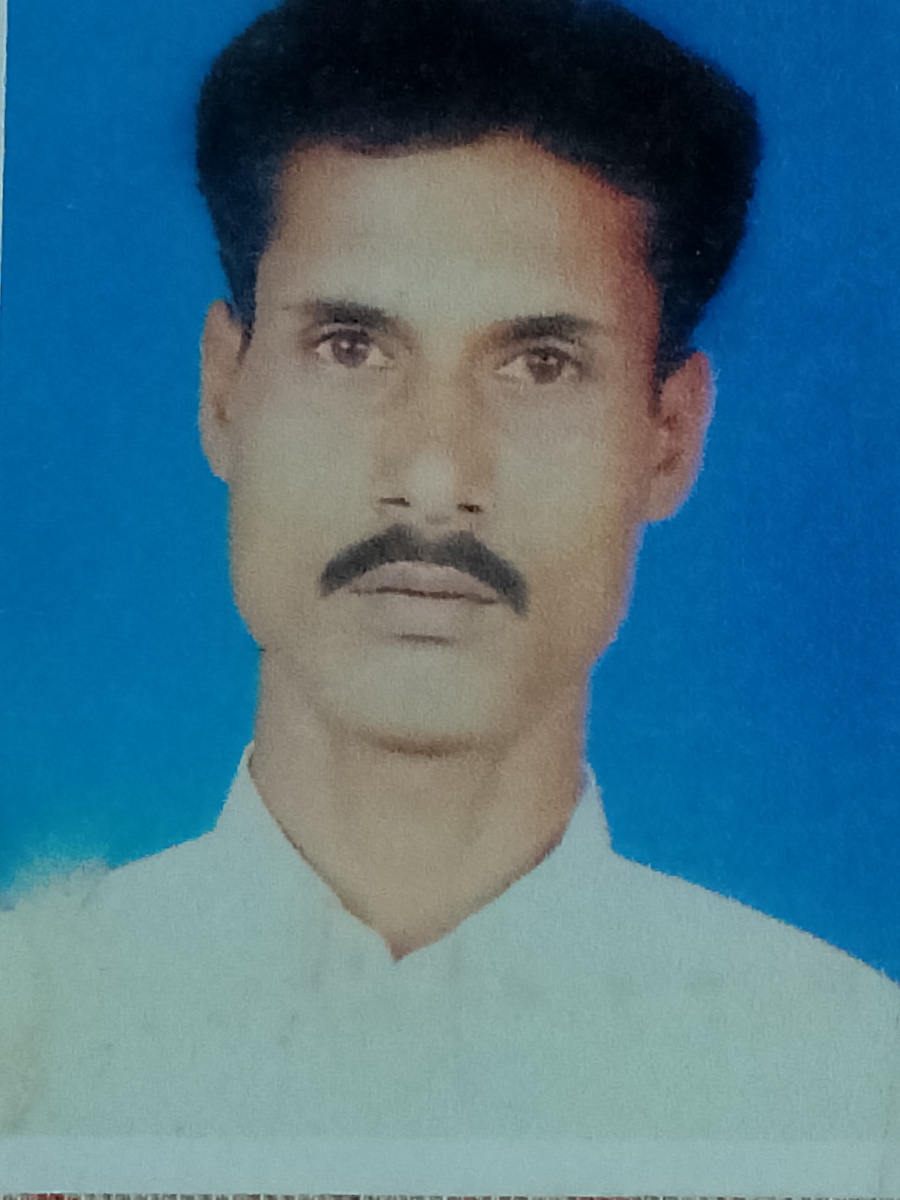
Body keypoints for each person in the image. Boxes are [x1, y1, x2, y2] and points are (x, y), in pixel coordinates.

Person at [1, 0, 898, 1150]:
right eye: (351, 347)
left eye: (541, 364)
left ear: (669, 439)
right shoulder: (30, 1035)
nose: (433, 481)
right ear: (224, 394)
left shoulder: (846, 1090)